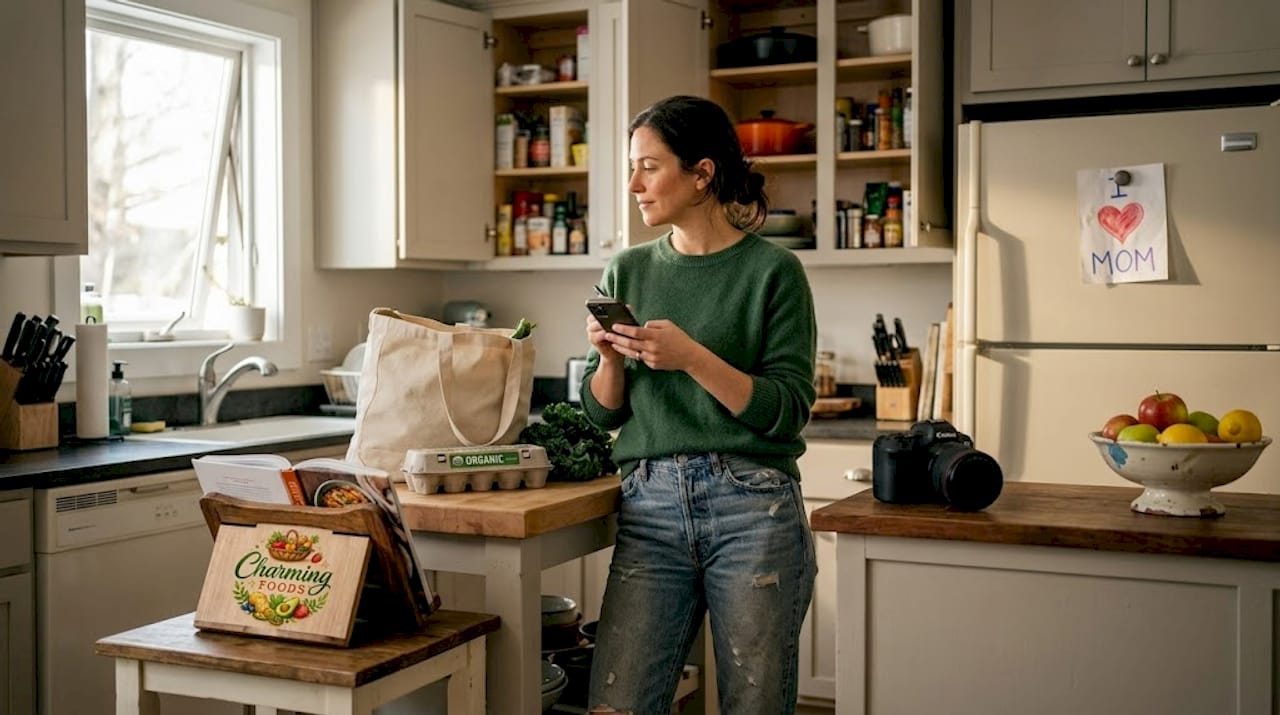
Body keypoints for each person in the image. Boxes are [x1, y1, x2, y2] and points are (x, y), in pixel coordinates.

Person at [578, 94, 818, 715]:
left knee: (756, 706)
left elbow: (788, 409)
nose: (633, 184)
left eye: (649, 166)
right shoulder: (626, 269)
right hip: (650, 508)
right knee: (617, 703)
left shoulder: (774, 272)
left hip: (753, 510)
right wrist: (608, 358)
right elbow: (602, 415)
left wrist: (692, 358)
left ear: (702, 173)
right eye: (632, 167)